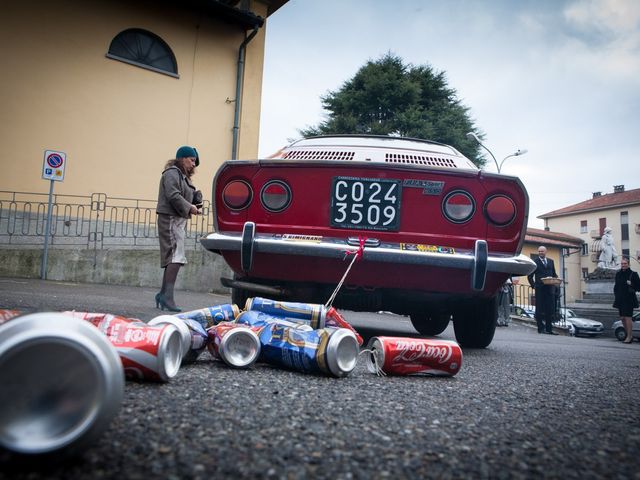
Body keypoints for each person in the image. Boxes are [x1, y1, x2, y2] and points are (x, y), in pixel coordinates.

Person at [155, 145, 202, 312]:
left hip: (176, 219)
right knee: (175, 256)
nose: (193, 164)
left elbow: (181, 195)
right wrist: (190, 207)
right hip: (170, 218)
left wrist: (194, 199)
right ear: (182, 158)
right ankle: (166, 297)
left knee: (174, 256)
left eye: (194, 161)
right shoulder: (172, 173)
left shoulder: (182, 177)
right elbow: (173, 195)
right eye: (191, 160)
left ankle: (163, 294)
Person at [527, 246, 559, 335]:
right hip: (540, 289)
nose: (540, 252)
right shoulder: (535, 262)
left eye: (542, 251)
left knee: (550, 309)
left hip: (550, 289)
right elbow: (529, 276)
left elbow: (554, 274)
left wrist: (557, 280)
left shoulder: (551, 261)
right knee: (539, 309)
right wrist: (534, 286)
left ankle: (549, 329)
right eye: (539, 251)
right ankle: (540, 329)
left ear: (546, 252)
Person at [613, 256, 640, 343]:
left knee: (628, 318)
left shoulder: (633, 274)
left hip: (629, 299)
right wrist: (616, 295)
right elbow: (616, 286)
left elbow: (638, 287)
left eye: (625, 264)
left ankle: (629, 336)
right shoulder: (618, 274)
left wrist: (631, 284)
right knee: (622, 318)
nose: (623, 265)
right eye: (622, 264)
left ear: (628, 264)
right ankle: (629, 335)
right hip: (620, 299)